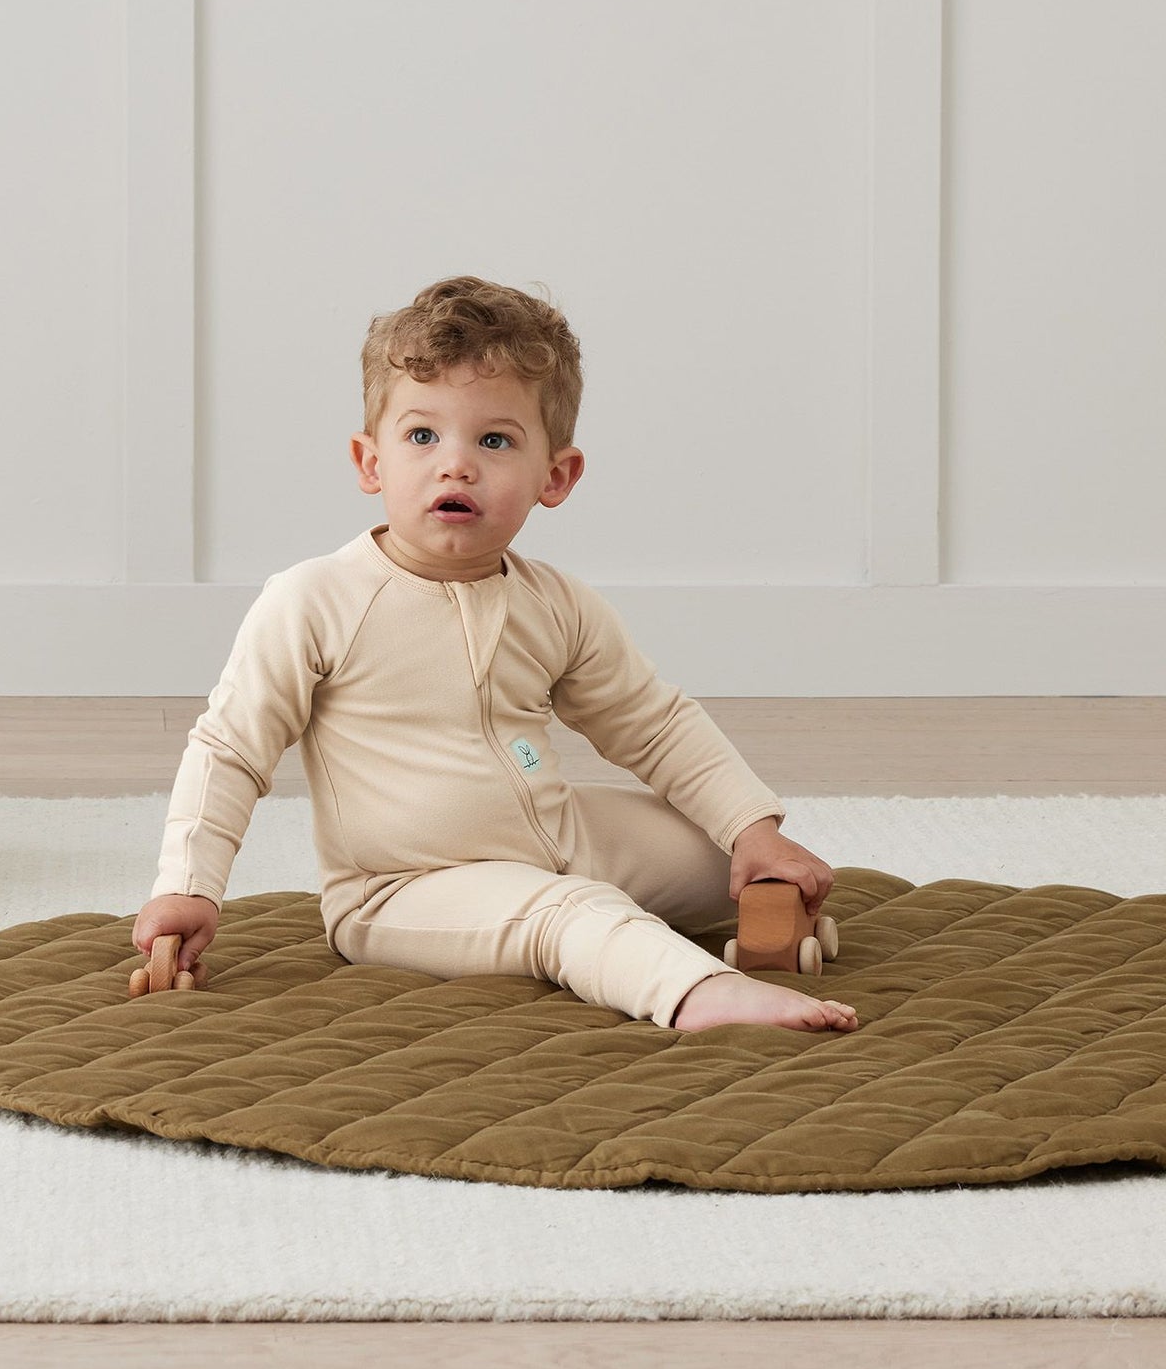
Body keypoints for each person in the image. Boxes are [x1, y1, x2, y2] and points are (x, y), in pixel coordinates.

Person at [132, 275, 859, 1035]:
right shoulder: (314, 600)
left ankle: (732, 909)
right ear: (370, 462)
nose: (456, 465)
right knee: (572, 912)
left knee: (727, 862)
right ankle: (699, 995)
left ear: (555, 476)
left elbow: (654, 724)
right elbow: (230, 750)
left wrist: (751, 830)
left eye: (494, 440)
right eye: (422, 436)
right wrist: (188, 886)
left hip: (557, 838)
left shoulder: (556, 602)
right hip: (404, 887)